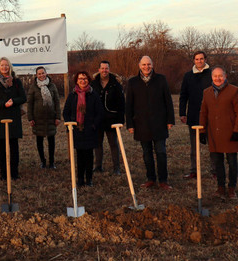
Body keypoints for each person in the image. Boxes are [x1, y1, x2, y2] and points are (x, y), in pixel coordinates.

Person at [126, 56, 175, 191]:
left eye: (148, 64)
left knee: (161, 152)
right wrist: (130, 124)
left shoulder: (161, 79)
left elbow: (168, 101)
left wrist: (170, 120)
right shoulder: (133, 82)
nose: (146, 67)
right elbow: (129, 104)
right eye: (144, 64)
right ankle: (151, 179)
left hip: (159, 123)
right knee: (147, 153)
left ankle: (163, 180)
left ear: (152, 65)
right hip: (141, 124)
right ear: (139, 65)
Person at [199, 66, 238, 200]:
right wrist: (202, 131)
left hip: (230, 133)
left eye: (220, 76)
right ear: (211, 77)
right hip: (213, 133)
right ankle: (220, 188)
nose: (218, 78)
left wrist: (237, 131)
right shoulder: (206, 92)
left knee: (231, 162)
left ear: (225, 77)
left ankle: (231, 189)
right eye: (215, 76)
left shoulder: (234, 91)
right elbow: (203, 113)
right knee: (217, 162)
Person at [0, 57, 27, 180]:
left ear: (10, 67)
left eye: (6, 65)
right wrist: (3, 103)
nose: (4, 67)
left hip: (13, 117)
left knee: (14, 146)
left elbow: (23, 98)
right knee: (1, 147)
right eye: (2, 65)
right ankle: (4, 173)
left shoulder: (16, 81)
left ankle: (14, 172)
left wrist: (13, 101)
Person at [63, 71, 103, 187]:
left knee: (89, 156)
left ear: (88, 80)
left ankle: (89, 179)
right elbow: (65, 112)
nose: (83, 81)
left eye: (85, 79)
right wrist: (70, 124)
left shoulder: (93, 95)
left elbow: (99, 113)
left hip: (90, 130)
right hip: (77, 130)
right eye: (80, 79)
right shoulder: (72, 95)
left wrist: (94, 125)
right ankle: (80, 179)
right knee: (80, 156)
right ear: (76, 81)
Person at [179, 51, 213, 179]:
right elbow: (183, 95)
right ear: (193, 60)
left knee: (213, 145)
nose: (199, 61)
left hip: (210, 116)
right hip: (193, 116)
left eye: (201, 59)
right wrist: (182, 113)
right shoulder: (188, 76)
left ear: (205, 59)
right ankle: (194, 171)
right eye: (197, 59)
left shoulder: (212, 74)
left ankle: (215, 171)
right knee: (194, 147)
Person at [91, 60, 125, 175]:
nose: (104, 70)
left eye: (106, 68)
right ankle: (98, 166)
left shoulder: (115, 84)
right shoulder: (93, 84)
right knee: (97, 144)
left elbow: (122, 103)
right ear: (99, 69)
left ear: (109, 69)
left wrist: (121, 120)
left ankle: (117, 168)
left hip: (112, 119)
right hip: (98, 119)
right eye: (102, 68)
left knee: (113, 144)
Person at [27, 66, 61, 169]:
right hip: (38, 119)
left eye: (43, 73)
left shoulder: (52, 86)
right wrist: (30, 118)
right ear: (36, 75)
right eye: (39, 74)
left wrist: (58, 117)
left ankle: (51, 162)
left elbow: (57, 102)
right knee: (39, 141)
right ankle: (43, 161)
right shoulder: (33, 87)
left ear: (46, 73)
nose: (41, 75)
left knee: (51, 141)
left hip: (51, 117)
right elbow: (30, 103)